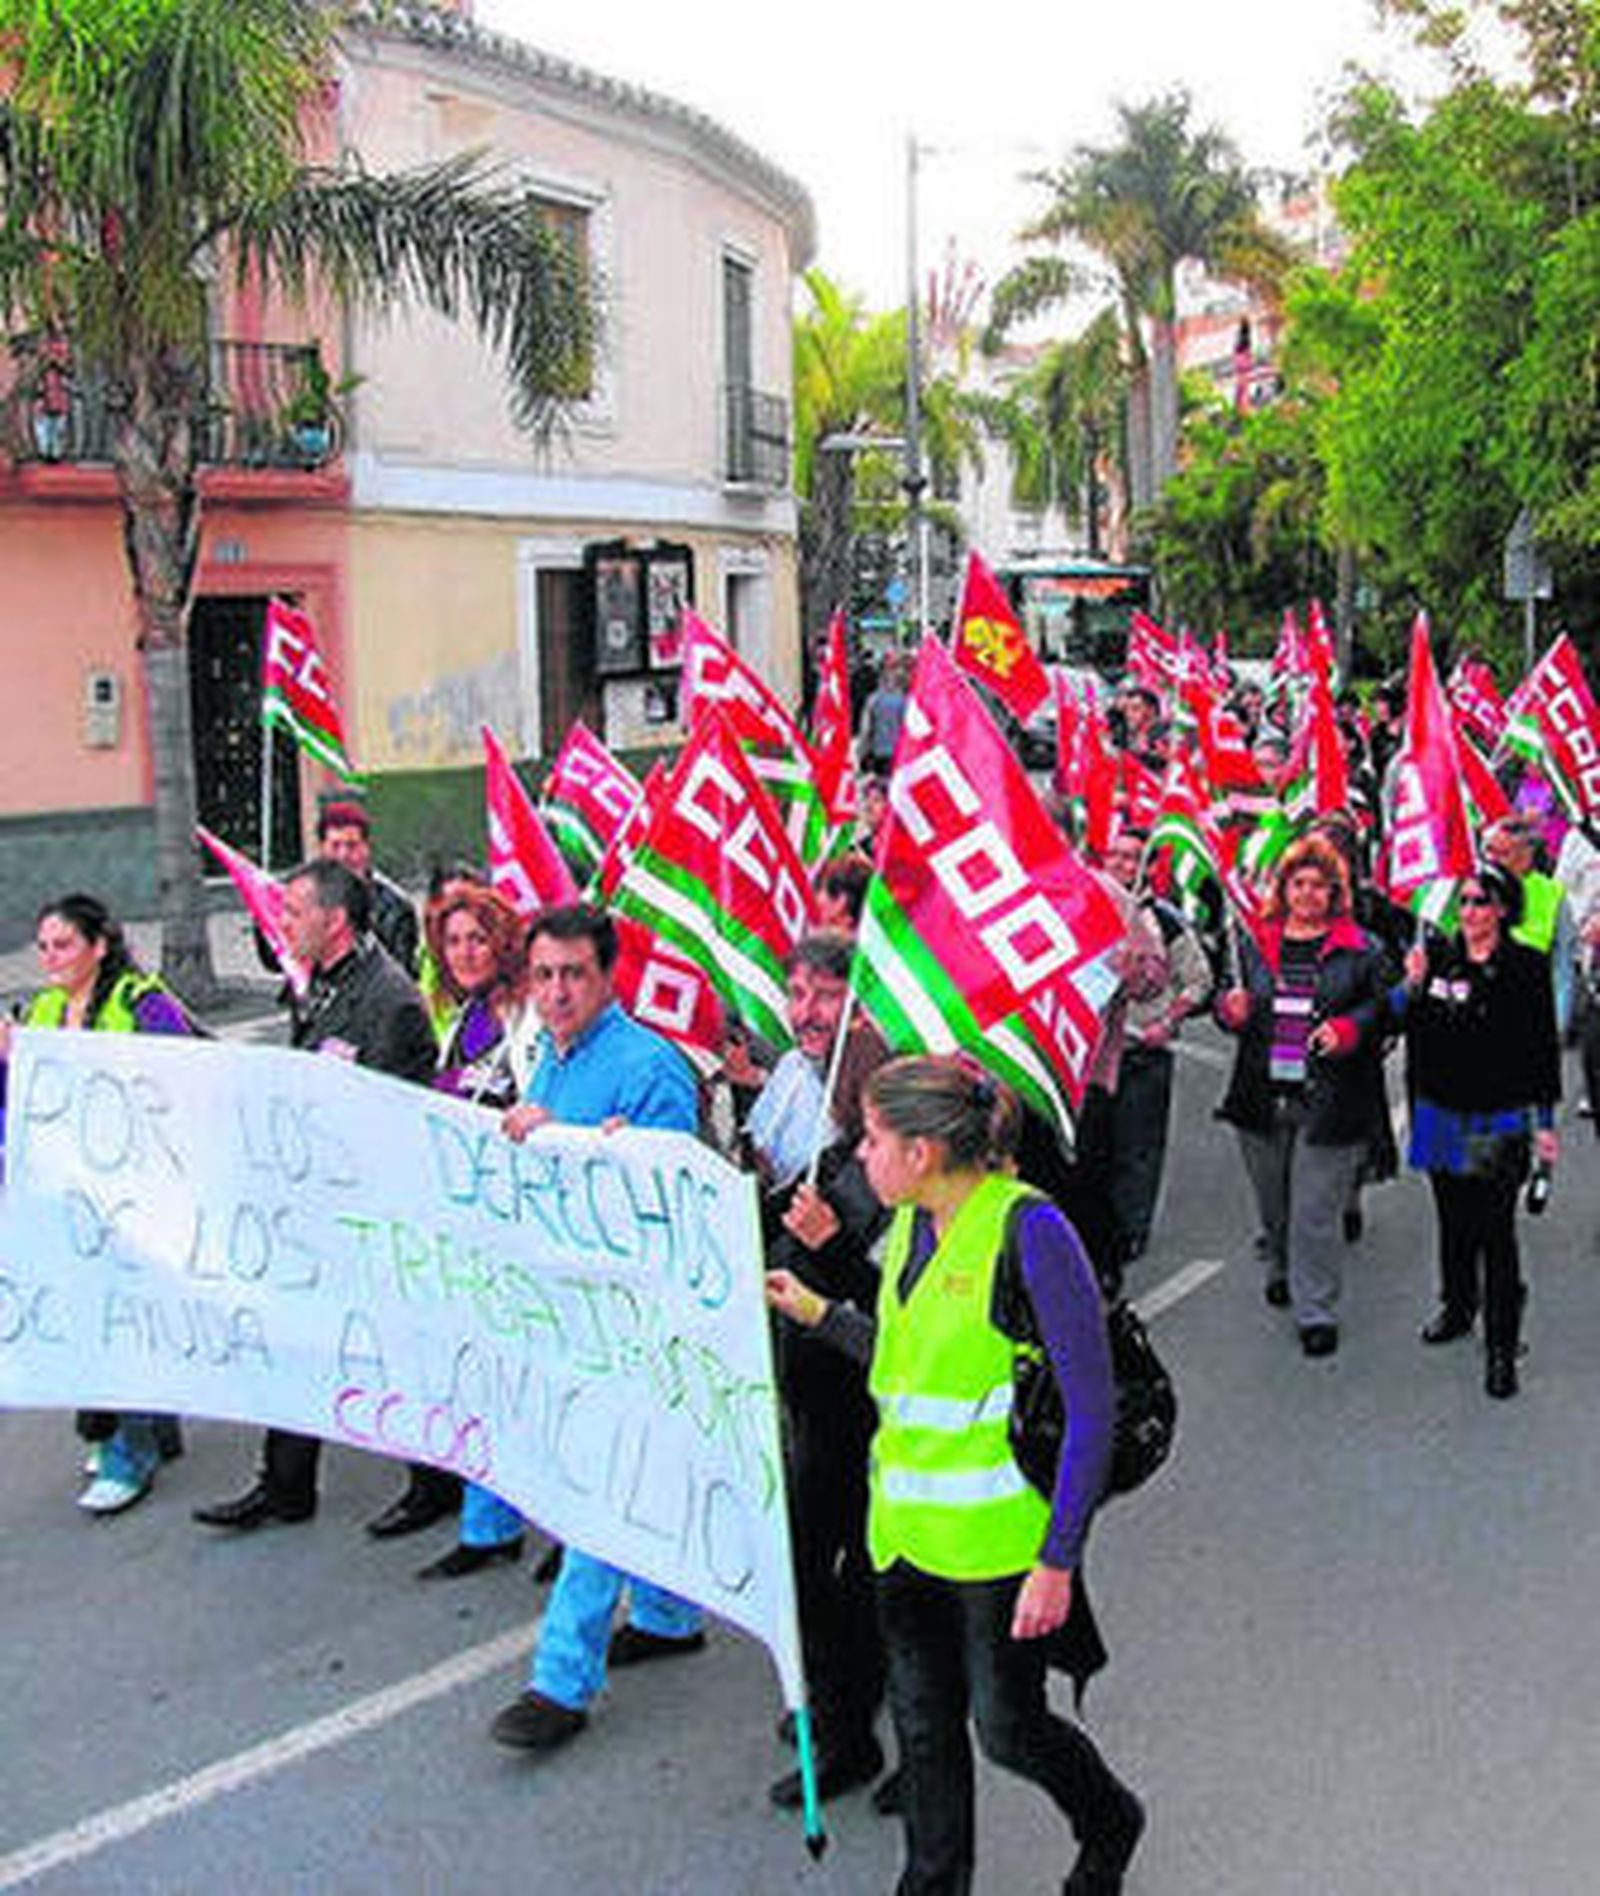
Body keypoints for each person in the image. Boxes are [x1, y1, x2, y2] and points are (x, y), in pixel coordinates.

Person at [767, 1056, 1143, 1896]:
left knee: (1007, 1730)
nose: (860, 1155)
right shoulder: (909, 1226)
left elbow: (1090, 1410)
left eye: (873, 1139)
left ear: (925, 1151)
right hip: (900, 1539)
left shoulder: (1031, 1231)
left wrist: (1058, 1561)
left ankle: (1109, 1819)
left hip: (998, 1551)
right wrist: (820, 1313)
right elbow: (907, 1362)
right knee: (925, 1732)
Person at [489, 904, 706, 1757]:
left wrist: (584, 1146)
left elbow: (669, 1194)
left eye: (573, 974)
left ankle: (559, 1680)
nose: (556, 992)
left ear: (608, 975)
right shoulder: (547, 1057)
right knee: (623, 1475)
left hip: (637, 1320)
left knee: (599, 1491)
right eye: (542, 976)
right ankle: (666, 1612)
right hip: (570, 1310)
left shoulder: (650, 1067)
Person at [193, 858, 451, 1534]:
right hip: (315, 1203)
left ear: (334, 920)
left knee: (393, 1356)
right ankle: (284, 1486)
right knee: (294, 1340)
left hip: (371, 1214)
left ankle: (434, 1482)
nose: (282, 921)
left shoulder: (388, 999)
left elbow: (392, 1116)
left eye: (294, 910)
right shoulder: (319, 986)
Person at [749, 933, 891, 1808]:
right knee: (808, 1561)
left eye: (824, 994)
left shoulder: (890, 1099)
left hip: (880, 1385)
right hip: (813, 1380)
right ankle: (840, 1720)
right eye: (795, 993)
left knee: (884, 1577)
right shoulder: (794, 1084)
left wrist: (834, 1244)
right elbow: (771, 1192)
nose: (805, 1012)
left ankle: (905, 1744)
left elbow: (908, 1266)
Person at [0, 895, 196, 1514]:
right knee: (100, 1321)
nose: (51, 958)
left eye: (63, 945)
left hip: (134, 1198)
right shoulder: (47, 1010)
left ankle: (124, 1449)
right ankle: (147, 1430)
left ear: (99, 946)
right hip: (70, 1199)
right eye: (44, 947)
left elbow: (187, 1080)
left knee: (115, 1324)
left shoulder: (142, 1003)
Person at [1216, 834, 1388, 1357]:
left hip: (1329, 1101)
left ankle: (1316, 1309)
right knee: (1276, 1205)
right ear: (1284, 888)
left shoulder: (1362, 950)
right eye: (1299, 884)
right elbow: (1226, 1003)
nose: (1309, 894)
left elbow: (1384, 1010)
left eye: (1320, 886)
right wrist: (1231, 1009)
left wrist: (1350, 1030)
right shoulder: (1254, 941)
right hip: (1263, 1096)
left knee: (1316, 1211)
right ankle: (1281, 1263)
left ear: (1336, 893)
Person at [1394, 864, 1560, 1399]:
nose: (1469, 913)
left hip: (1500, 1115)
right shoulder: (1438, 960)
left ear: (1503, 910)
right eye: (1464, 902)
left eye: (1481, 903)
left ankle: (1501, 1345)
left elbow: (1541, 1050)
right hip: (1441, 1110)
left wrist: (1546, 1125)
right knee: (1453, 1218)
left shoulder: (1526, 968)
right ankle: (1458, 1305)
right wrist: (1411, 986)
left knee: (1496, 1230)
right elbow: (1401, 1021)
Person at [411, 881, 531, 1581]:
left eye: (476, 939)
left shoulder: (521, 1018)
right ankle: (488, 1524)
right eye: (452, 941)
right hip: (469, 1223)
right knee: (476, 1380)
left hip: (516, 1225)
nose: (463, 952)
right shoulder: (459, 1017)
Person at [1075, 826, 1212, 1274]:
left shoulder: (1165, 920)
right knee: (1093, 1148)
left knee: (1138, 1147)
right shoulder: (1084, 909)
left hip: (1143, 1052)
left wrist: (1168, 1020)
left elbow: (1198, 981)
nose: (1121, 866)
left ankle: (1131, 1229)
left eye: (1132, 858)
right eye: (1114, 856)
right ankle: (1097, 1230)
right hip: (1093, 1057)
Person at [1483, 815, 1577, 1037]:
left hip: (1533, 1010)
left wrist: (1558, 1024)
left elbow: (1563, 966)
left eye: (1503, 853)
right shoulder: (1476, 888)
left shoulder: (1553, 894)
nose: (1493, 860)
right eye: (1490, 851)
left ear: (1526, 856)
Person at [317, 800, 421, 977]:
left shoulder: (395, 908)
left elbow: (400, 976)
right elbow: (275, 960)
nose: (343, 855)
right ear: (322, 849)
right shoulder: (304, 897)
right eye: (335, 846)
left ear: (366, 848)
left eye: (351, 845)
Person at [858, 653, 910, 776]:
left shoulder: (874, 700)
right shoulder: (907, 701)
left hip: (879, 754)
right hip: (901, 755)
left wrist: (862, 755)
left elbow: (866, 731)